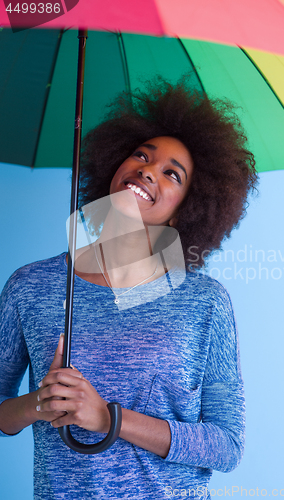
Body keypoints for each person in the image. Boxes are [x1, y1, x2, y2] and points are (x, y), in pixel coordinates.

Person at [0, 78, 258, 499]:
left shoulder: (204, 302)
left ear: (184, 212)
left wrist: (109, 420)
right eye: (142, 155)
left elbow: (227, 446)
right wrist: (38, 404)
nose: (147, 170)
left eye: (171, 174)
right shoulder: (31, 287)